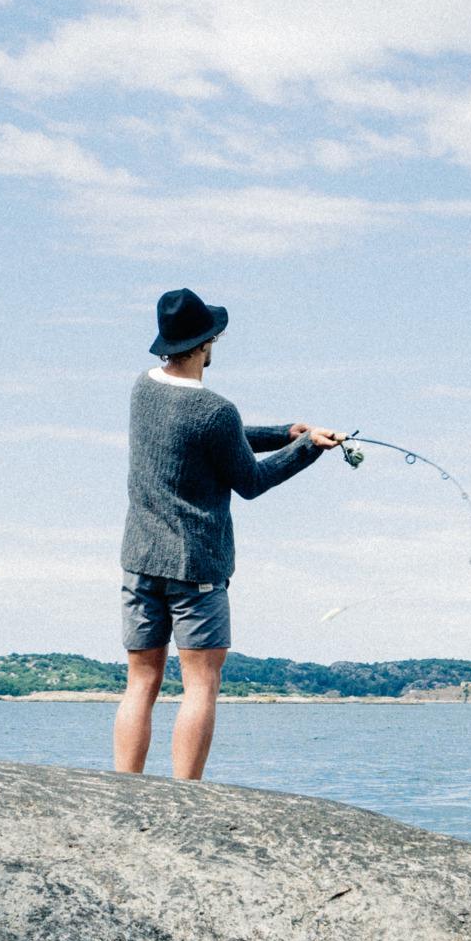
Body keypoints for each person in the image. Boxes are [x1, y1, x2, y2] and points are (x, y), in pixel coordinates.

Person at [116, 288, 342, 780]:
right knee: (200, 685)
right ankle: (185, 795)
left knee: (142, 681)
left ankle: (124, 784)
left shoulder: (142, 388)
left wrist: (284, 433)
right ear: (207, 343)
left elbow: (211, 438)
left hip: (139, 561)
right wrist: (307, 450)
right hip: (195, 566)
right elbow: (250, 481)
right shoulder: (215, 411)